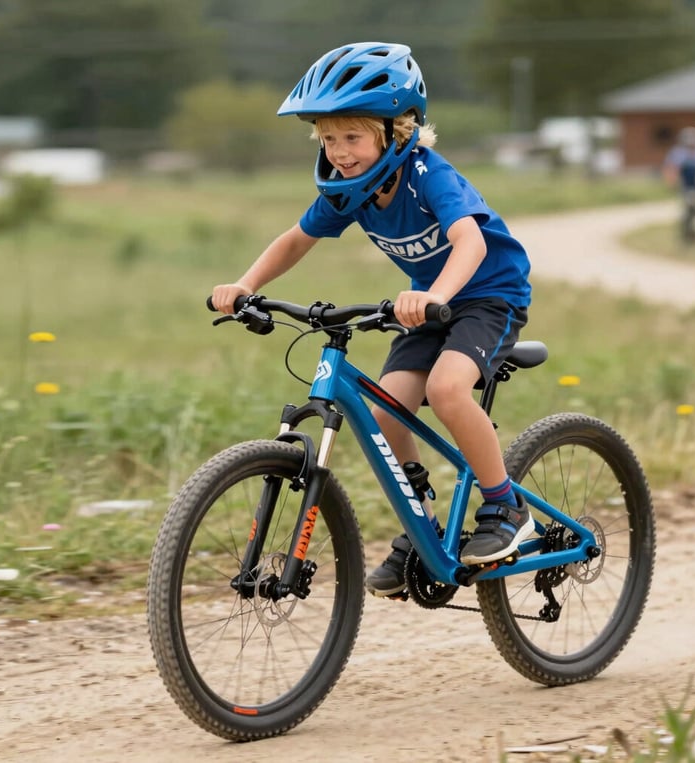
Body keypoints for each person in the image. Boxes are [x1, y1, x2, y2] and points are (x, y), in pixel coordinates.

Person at [211, 42, 534, 597]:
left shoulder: (426, 174)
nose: (339, 152)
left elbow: (470, 241)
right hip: (429, 303)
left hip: (488, 295)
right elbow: (295, 240)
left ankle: (507, 507)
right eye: (329, 138)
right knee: (388, 410)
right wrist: (246, 286)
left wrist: (432, 293)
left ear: (397, 130)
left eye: (352, 137)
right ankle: (420, 525)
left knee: (448, 389)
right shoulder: (350, 191)